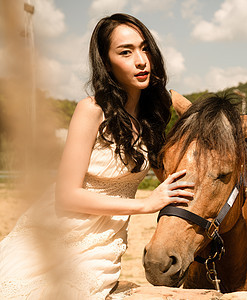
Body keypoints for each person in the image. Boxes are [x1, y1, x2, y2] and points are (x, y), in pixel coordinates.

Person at [0, 13, 193, 299]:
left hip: (104, 244)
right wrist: (145, 204)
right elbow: (66, 195)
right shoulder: (91, 110)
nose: (140, 60)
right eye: (125, 52)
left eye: (144, 48)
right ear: (106, 62)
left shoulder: (154, 115)